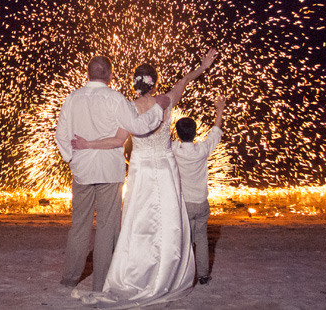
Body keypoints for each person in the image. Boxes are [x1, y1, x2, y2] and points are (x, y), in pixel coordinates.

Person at [71, 49, 218, 308]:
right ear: (155, 82)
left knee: (138, 224)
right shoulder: (167, 99)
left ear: (134, 84)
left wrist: (87, 143)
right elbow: (186, 80)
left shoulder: (129, 107)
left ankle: (137, 271)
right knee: (168, 222)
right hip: (164, 168)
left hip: (140, 171)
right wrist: (203, 66)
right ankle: (166, 274)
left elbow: (117, 141)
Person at [54, 55, 173, 292]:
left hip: (83, 171)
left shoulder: (72, 99)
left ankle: (70, 278)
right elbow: (138, 127)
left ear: (87, 74)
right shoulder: (116, 99)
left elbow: (60, 135)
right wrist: (158, 108)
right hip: (109, 170)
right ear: (110, 75)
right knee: (107, 227)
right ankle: (101, 282)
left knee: (79, 225)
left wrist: (72, 159)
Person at [172, 96, 226, 286]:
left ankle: (183, 275)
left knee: (183, 240)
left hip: (184, 203)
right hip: (201, 203)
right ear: (195, 133)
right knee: (201, 238)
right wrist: (220, 109)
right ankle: (203, 275)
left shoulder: (173, 149)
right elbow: (216, 132)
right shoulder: (202, 149)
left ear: (177, 134)